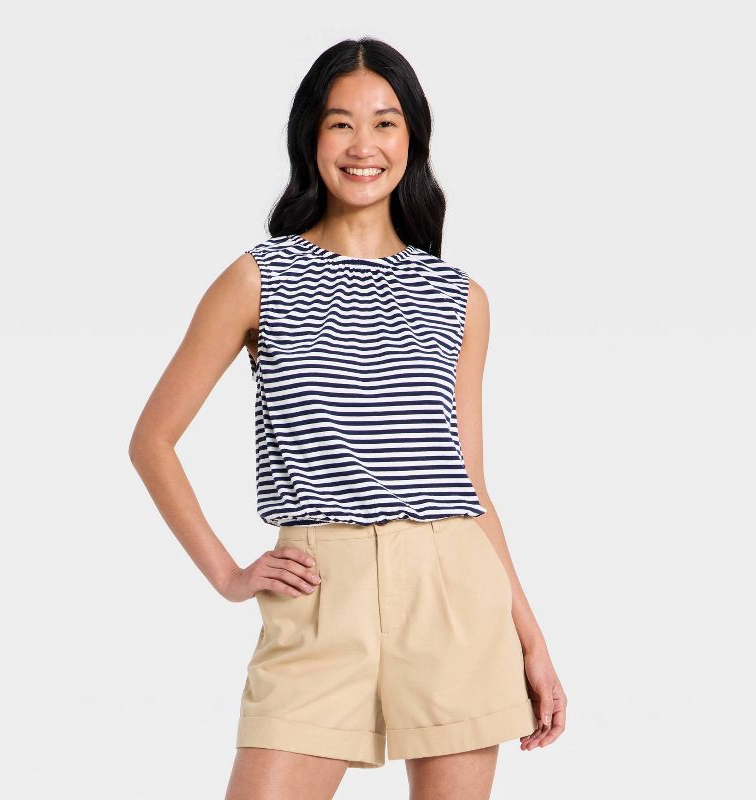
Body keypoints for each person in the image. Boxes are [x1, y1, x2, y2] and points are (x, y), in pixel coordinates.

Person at [129, 37, 566, 800]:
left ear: (413, 139)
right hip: (318, 594)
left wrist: (532, 638)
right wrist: (228, 575)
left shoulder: (459, 297)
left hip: (453, 594)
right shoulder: (258, 278)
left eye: (385, 123)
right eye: (341, 124)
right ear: (310, 137)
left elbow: (469, 485)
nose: (364, 145)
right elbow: (152, 442)